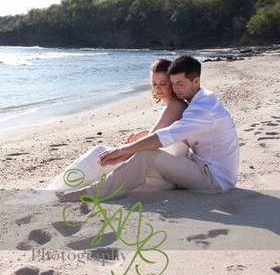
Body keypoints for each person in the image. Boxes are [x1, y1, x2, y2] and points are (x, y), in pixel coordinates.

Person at [56, 55, 239, 202]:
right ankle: (76, 187)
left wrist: (122, 150)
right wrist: (139, 140)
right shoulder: (201, 100)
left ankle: (90, 193)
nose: (175, 89)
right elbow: (177, 134)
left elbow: (164, 137)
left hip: (215, 180)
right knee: (135, 156)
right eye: (173, 84)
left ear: (196, 81)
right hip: (203, 167)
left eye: (179, 84)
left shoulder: (203, 108)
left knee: (145, 155)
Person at [44, 58, 189, 192]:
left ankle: (52, 191)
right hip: (158, 169)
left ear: (173, 83)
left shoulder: (175, 106)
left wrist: (121, 154)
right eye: (154, 84)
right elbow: (165, 134)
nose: (157, 89)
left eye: (163, 84)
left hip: (161, 177)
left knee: (100, 154)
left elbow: (152, 143)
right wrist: (144, 133)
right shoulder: (174, 105)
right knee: (102, 158)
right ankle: (59, 189)